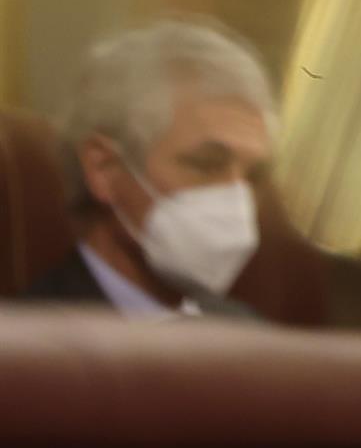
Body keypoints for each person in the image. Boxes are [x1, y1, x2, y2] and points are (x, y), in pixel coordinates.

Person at [21, 18, 276, 318]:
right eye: (207, 164)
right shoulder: (27, 345)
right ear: (103, 169)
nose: (237, 201)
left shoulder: (250, 335)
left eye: (253, 176)